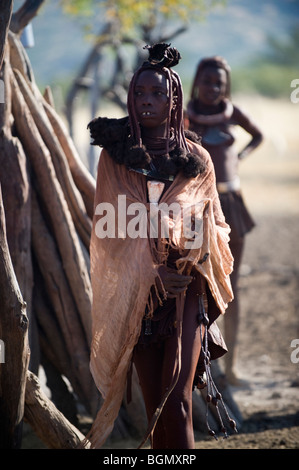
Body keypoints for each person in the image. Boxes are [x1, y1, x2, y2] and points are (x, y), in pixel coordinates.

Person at [83, 44, 234, 449]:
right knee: (154, 408)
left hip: (185, 290)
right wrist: (150, 272)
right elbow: (109, 230)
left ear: (174, 101)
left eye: (157, 94)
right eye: (139, 93)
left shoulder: (197, 159)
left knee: (177, 400)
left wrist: (186, 260)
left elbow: (215, 225)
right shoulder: (116, 161)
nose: (147, 101)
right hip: (141, 294)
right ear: (131, 98)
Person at [186, 56, 263, 385]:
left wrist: (239, 158)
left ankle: (231, 369)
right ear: (196, 82)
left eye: (219, 83)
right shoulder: (184, 115)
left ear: (225, 86)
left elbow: (257, 136)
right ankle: (202, 364)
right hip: (196, 204)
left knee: (232, 285)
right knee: (197, 283)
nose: (213, 88)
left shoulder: (233, 112)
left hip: (230, 201)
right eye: (207, 81)